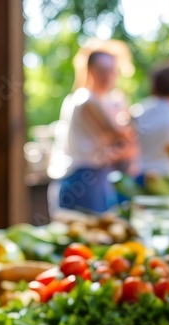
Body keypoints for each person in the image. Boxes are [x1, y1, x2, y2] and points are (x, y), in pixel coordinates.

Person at [47, 41, 137, 214]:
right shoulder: (85, 99)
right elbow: (122, 136)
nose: (108, 76)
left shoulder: (106, 100)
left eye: (111, 70)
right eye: (102, 70)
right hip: (82, 179)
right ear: (90, 71)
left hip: (99, 177)